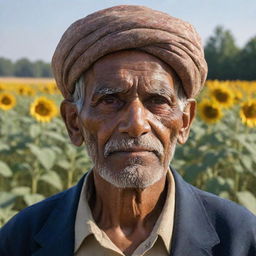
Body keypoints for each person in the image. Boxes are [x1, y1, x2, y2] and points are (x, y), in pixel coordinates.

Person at [0, 5, 255, 256]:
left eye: (157, 101)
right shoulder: (19, 240)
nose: (136, 125)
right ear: (74, 122)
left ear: (185, 122)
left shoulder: (240, 239)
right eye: (110, 100)